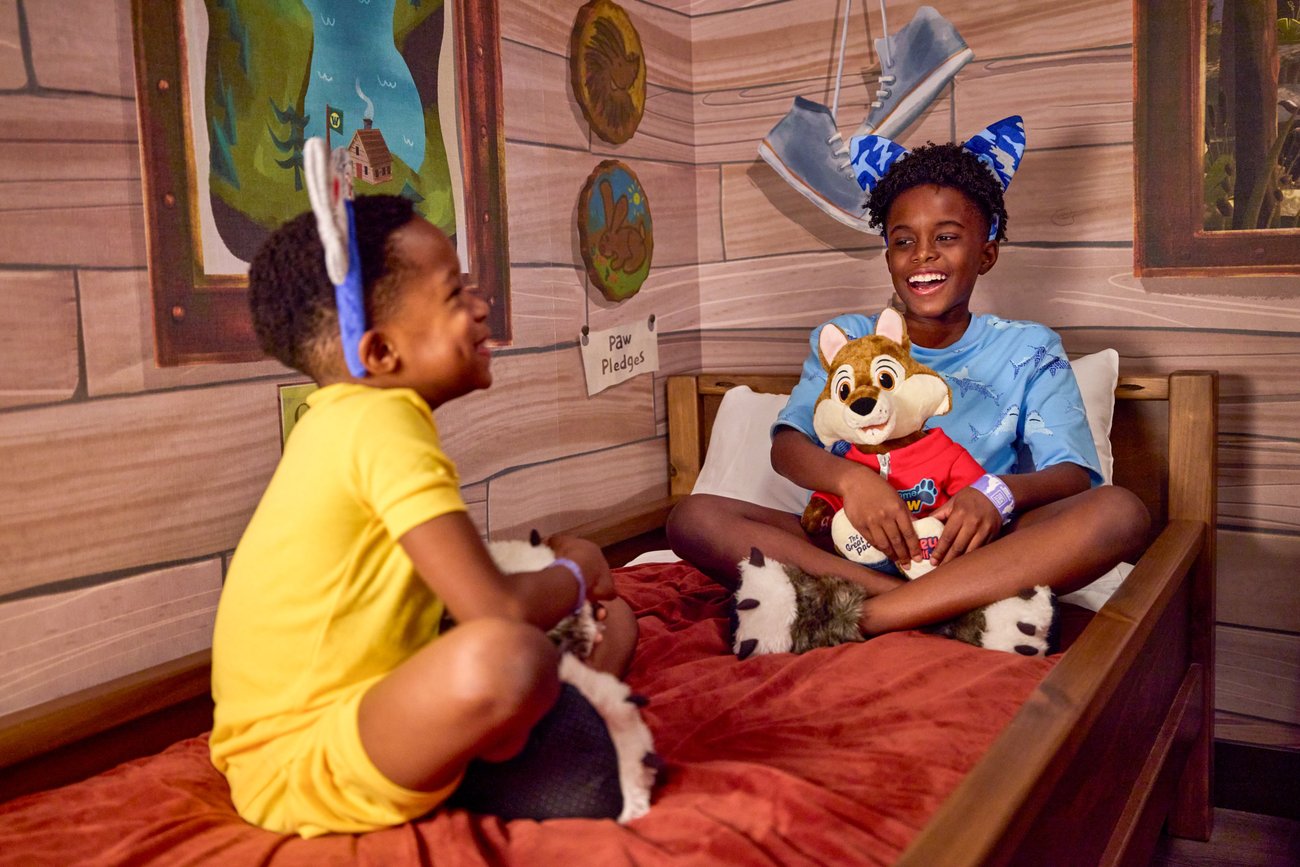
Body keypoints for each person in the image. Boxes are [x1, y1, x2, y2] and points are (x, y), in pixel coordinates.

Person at [209, 194, 637, 837]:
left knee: (618, 623)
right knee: (508, 658)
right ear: (380, 353)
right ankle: (543, 726)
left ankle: (545, 725)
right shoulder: (378, 420)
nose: (481, 305)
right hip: (306, 758)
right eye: (455, 293)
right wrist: (576, 569)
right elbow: (497, 615)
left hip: (375, 709)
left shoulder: (340, 420)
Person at [666, 135, 1150, 638]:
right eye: (903, 241)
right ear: (888, 255)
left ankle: (868, 617)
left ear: (986, 254)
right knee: (694, 517)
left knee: (1120, 513)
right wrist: (855, 484)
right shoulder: (850, 338)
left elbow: (1071, 475)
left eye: (945, 237)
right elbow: (788, 447)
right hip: (847, 543)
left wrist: (997, 494)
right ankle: (927, 605)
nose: (923, 255)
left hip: (972, 551)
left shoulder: (1029, 348)